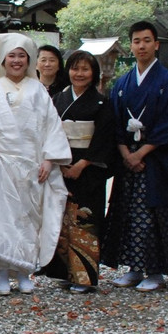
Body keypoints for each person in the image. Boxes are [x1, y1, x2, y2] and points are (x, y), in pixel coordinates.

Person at [0, 33, 71, 295]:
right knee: (2, 219)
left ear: (28, 60)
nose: (16, 61)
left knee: (28, 219)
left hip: (31, 166)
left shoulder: (38, 90)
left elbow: (51, 126)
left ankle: (25, 271)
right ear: (3, 59)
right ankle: (2, 272)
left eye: (21, 56)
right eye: (11, 55)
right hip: (0, 165)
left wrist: (49, 158)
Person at [101, 20, 168, 292]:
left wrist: (141, 154)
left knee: (152, 213)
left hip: (155, 161)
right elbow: (114, 123)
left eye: (147, 40)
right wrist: (126, 152)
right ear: (131, 45)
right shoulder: (123, 83)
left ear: (156, 44)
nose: (141, 46)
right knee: (128, 213)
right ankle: (134, 268)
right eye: (137, 41)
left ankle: (156, 271)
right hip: (129, 160)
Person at [42, 50, 116, 294]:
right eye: (75, 68)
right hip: (62, 166)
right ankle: (63, 272)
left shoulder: (102, 102)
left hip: (88, 170)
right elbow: (50, 132)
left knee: (85, 220)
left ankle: (85, 277)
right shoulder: (59, 99)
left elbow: (104, 139)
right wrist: (60, 162)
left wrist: (83, 164)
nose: (79, 74)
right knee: (61, 220)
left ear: (93, 73)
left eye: (85, 69)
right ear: (68, 70)